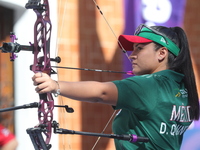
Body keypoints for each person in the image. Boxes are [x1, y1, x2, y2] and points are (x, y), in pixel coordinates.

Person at [32, 24, 200, 150]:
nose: (132, 56)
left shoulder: (150, 85)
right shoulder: (182, 86)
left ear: (162, 53)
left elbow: (102, 92)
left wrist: (55, 85)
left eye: (139, 49)